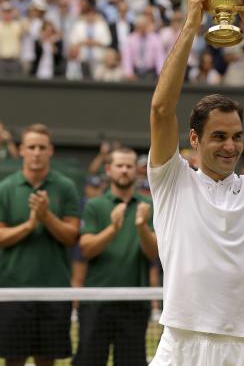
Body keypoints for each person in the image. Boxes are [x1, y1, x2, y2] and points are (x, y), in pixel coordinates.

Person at [147, 0, 244, 365]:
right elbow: (161, 110)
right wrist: (192, 22)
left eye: (237, 136)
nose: (231, 146)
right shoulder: (172, 180)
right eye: (218, 137)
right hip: (181, 342)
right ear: (194, 139)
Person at [0, 123, 81, 366]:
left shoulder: (66, 187)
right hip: (13, 291)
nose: (36, 152)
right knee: (13, 360)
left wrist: (46, 217)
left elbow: (71, 237)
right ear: (21, 150)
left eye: (42, 147)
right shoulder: (4, 189)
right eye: (31, 147)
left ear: (51, 150)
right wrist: (29, 225)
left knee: (46, 361)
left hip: (54, 291)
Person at [74, 147, 158, 366]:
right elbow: (86, 249)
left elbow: (153, 253)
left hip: (134, 304)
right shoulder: (94, 205)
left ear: (136, 171)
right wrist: (113, 228)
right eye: (119, 166)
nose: (124, 171)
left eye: (129, 166)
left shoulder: (147, 206)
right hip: (96, 303)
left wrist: (141, 227)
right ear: (108, 170)